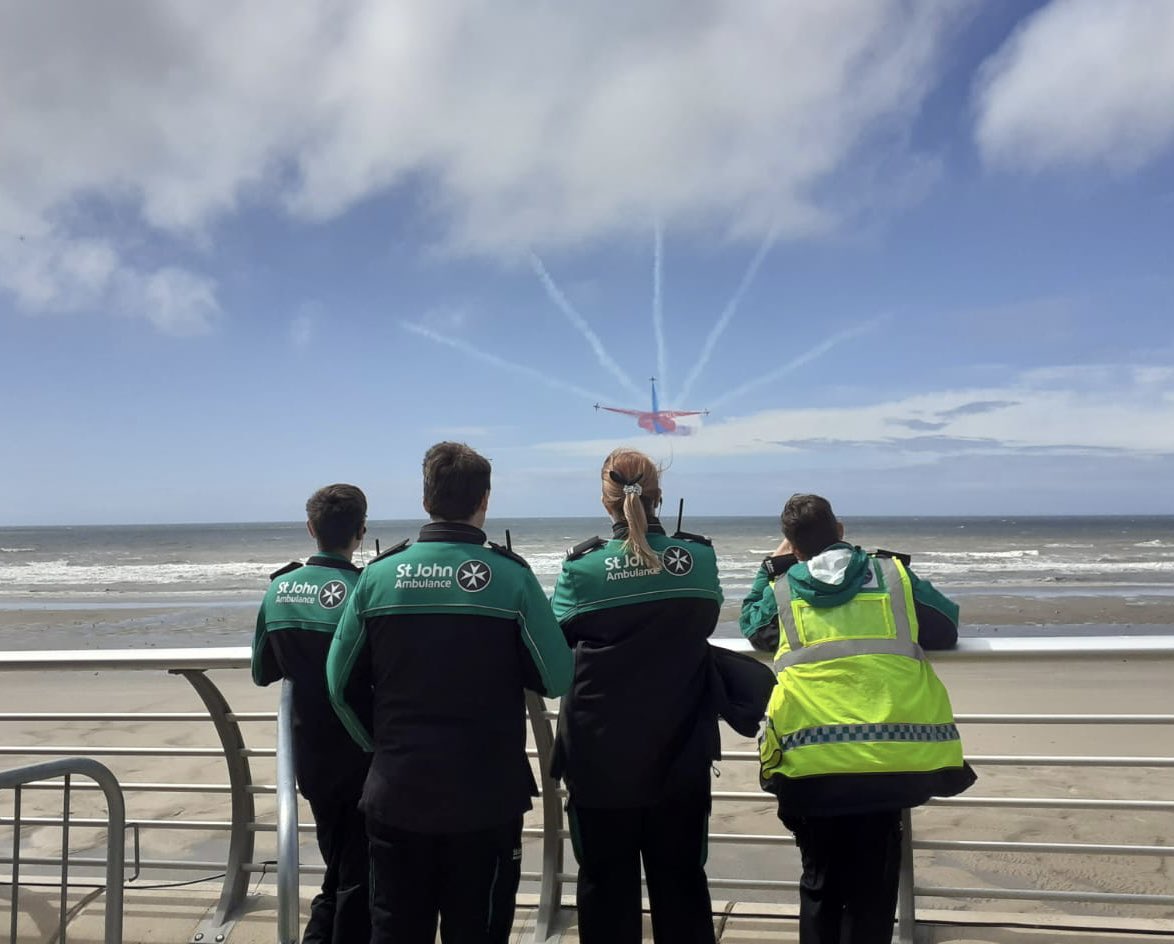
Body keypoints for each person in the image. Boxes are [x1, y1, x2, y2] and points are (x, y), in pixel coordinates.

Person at [326, 442, 573, 944]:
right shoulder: (512, 577)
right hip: (485, 797)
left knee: (394, 929)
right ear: (485, 500)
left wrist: (380, 749)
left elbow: (338, 685)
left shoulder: (377, 576)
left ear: (425, 500)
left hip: (396, 790)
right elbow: (557, 678)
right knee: (477, 930)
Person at [742, 494, 976, 944]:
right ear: (841, 530)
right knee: (873, 889)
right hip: (888, 759)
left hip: (810, 765)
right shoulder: (892, 575)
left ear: (790, 545)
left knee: (820, 884)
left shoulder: (784, 586)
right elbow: (946, 624)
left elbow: (755, 627)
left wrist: (767, 569)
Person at [550, 448, 724, 944]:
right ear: (659, 495)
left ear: (607, 503)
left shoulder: (581, 569)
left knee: (605, 889)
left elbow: (556, 635)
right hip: (682, 749)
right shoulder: (698, 557)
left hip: (599, 757)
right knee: (683, 885)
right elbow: (706, 619)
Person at [252, 483, 372, 944]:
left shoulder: (280, 588)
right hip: (364, 749)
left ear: (311, 528)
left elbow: (262, 670)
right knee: (357, 872)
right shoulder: (364, 590)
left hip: (310, 752)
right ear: (361, 532)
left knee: (341, 864)